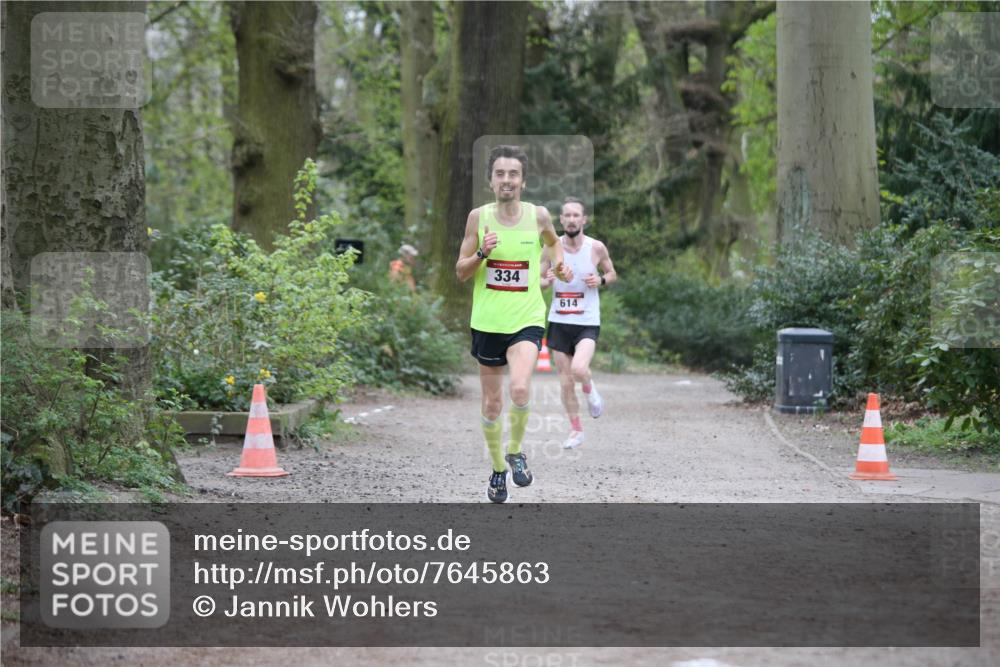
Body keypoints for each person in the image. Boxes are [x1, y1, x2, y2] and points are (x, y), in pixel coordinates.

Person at [456, 145, 573, 503]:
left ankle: (516, 450)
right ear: (491, 181)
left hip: (526, 317)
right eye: (500, 174)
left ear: (523, 180)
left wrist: (559, 265)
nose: (507, 180)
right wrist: (481, 254)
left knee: (520, 389)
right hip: (488, 322)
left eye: (514, 174)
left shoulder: (537, 216)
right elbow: (461, 272)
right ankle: (497, 471)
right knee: (492, 405)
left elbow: (554, 245)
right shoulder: (478, 218)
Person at [540, 197, 617, 449]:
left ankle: (591, 391)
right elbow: (538, 281)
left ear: (583, 220)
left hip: (586, 320)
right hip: (559, 320)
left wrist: (601, 281)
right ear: (561, 220)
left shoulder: (596, 248)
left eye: (576, 215)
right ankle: (576, 431)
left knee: (579, 370)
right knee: (565, 380)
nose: (571, 219)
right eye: (567, 215)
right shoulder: (550, 247)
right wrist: (547, 279)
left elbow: (612, 273)